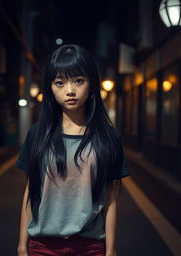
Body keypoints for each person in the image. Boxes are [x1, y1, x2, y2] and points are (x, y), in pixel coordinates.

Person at [15, 44, 129, 256]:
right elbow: (31, 191)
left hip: (90, 246)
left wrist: (111, 250)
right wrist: (22, 246)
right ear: (50, 87)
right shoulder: (38, 134)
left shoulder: (108, 137)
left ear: (91, 84)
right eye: (60, 82)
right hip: (42, 246)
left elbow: (111, 197)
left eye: (78, 81)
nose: (70, 90)